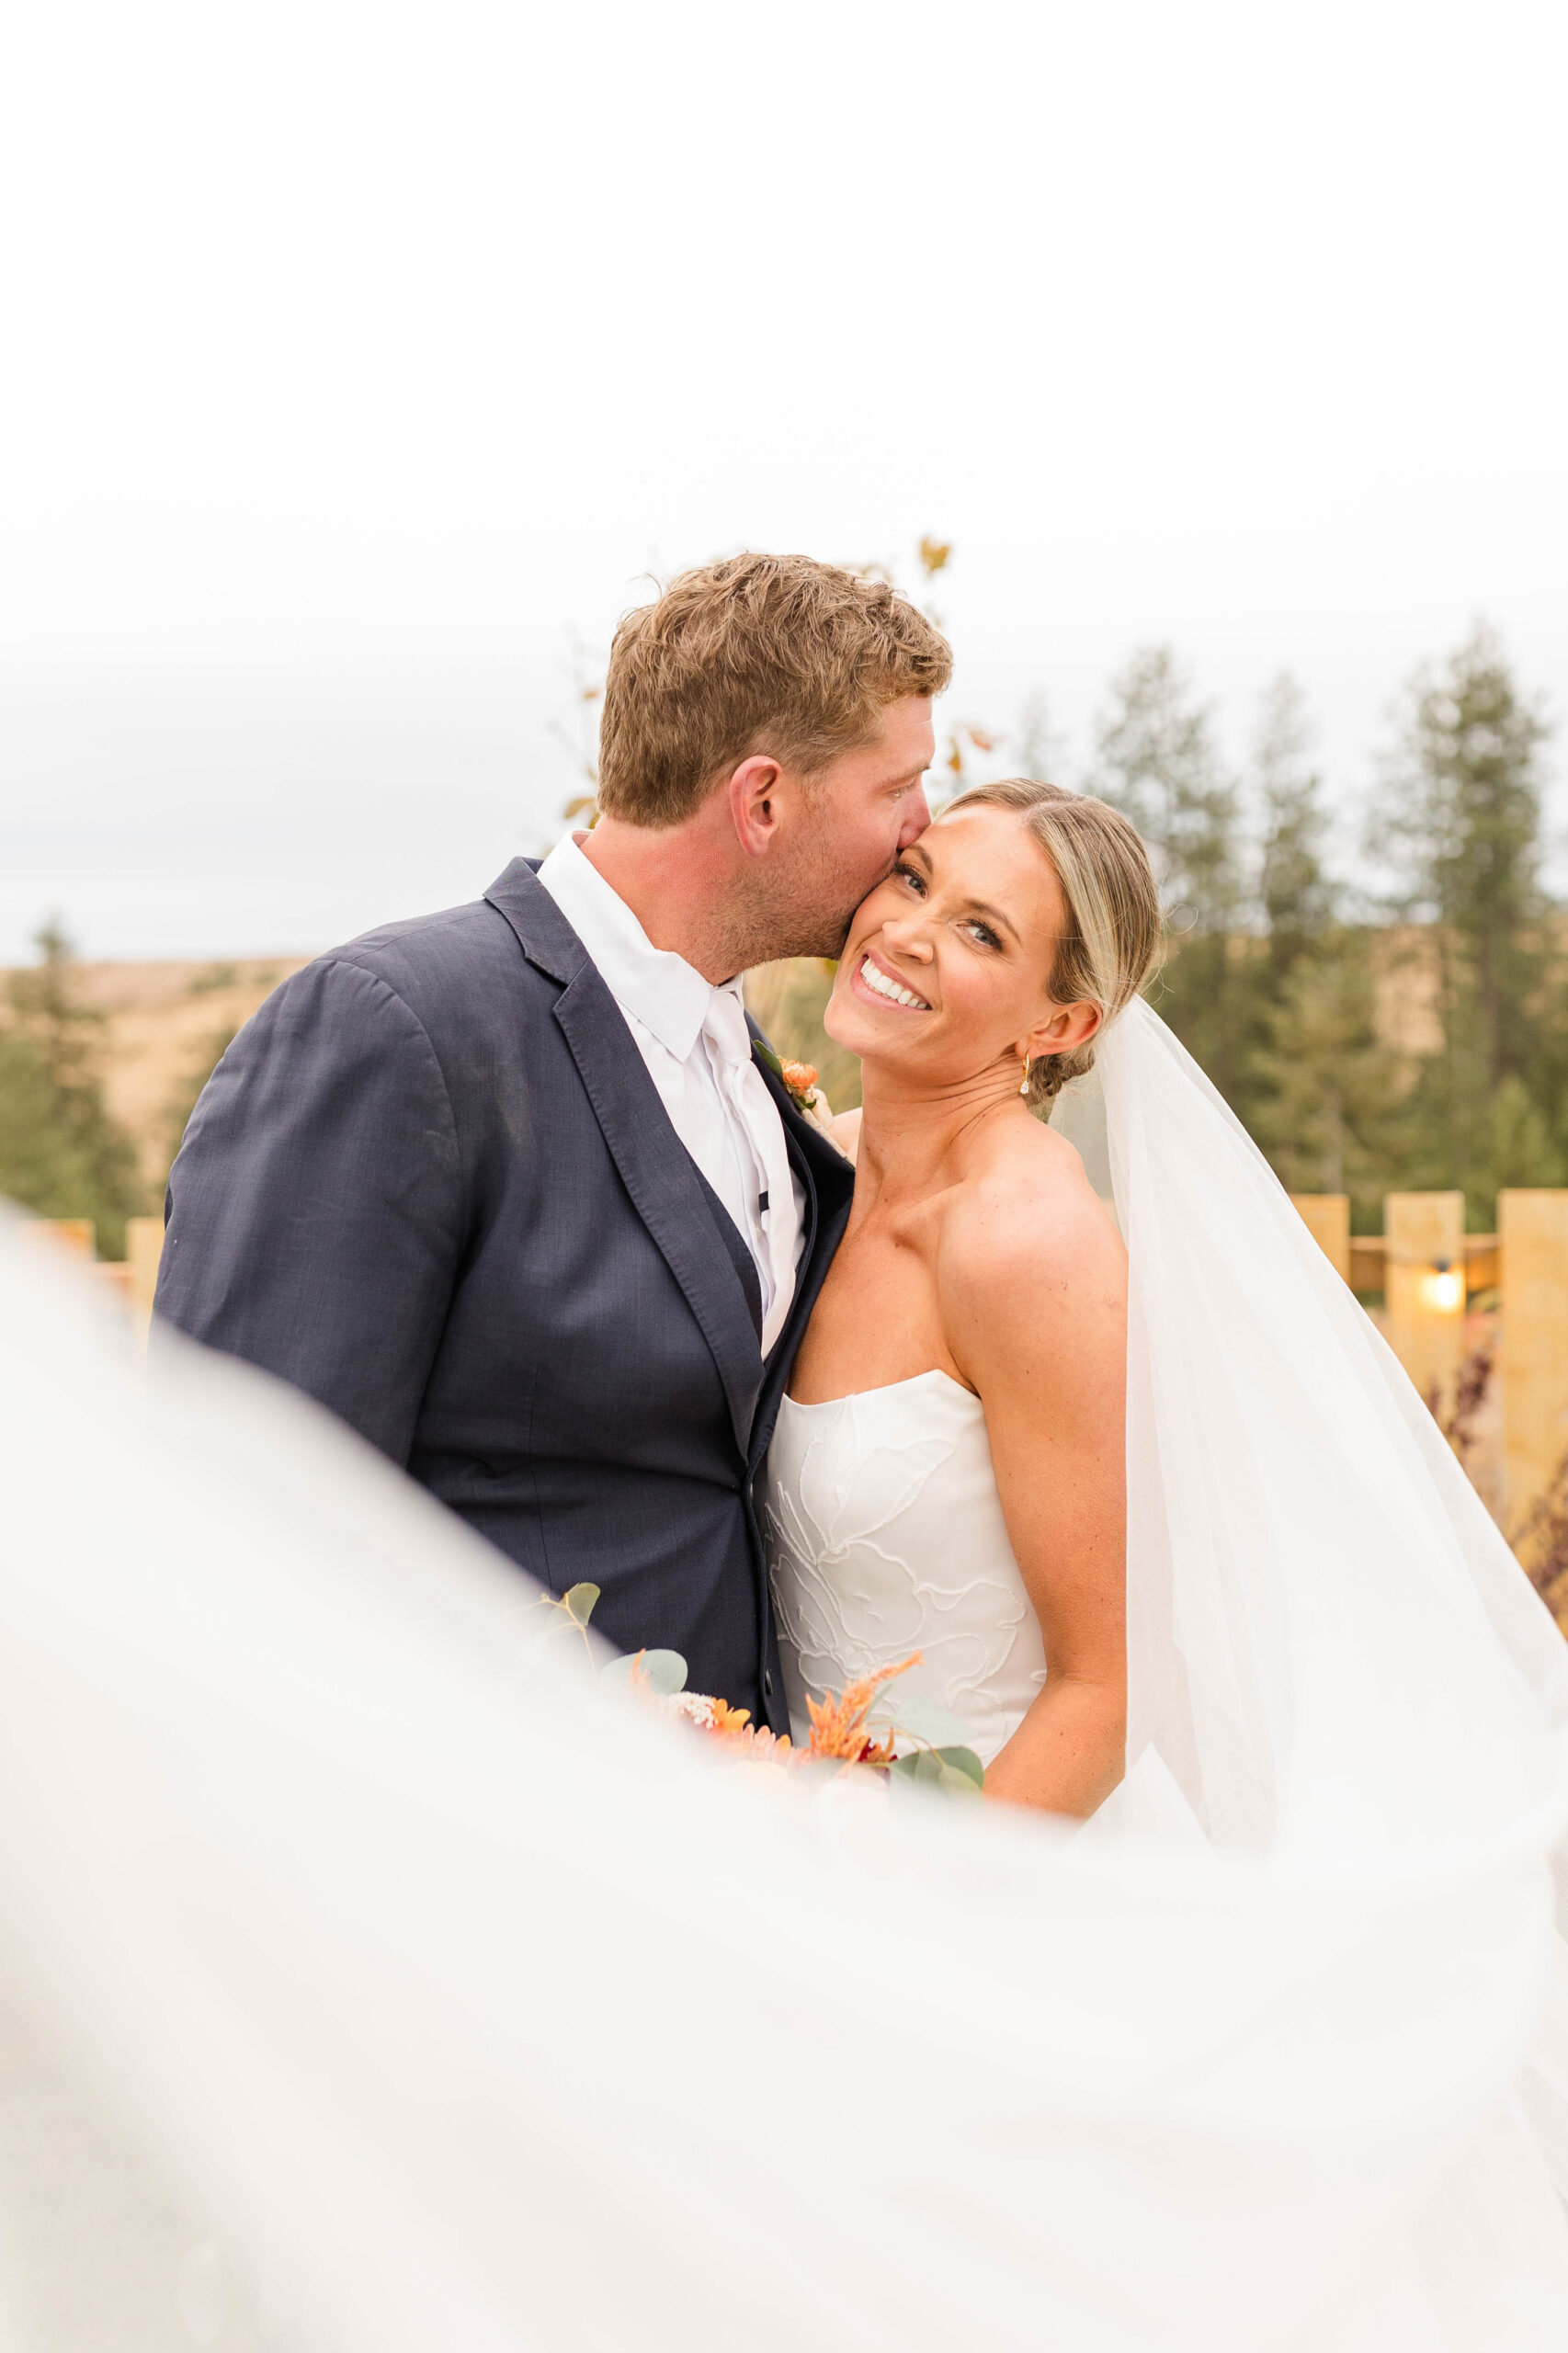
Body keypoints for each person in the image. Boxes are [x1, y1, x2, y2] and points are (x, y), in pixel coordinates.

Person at [154, 552, 950, 1730]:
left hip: (734, 1809)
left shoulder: (736, 1048)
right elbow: (244, 1521)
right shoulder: (394, 1026)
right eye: (901, 786)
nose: (921, 827)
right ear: (762, 802)